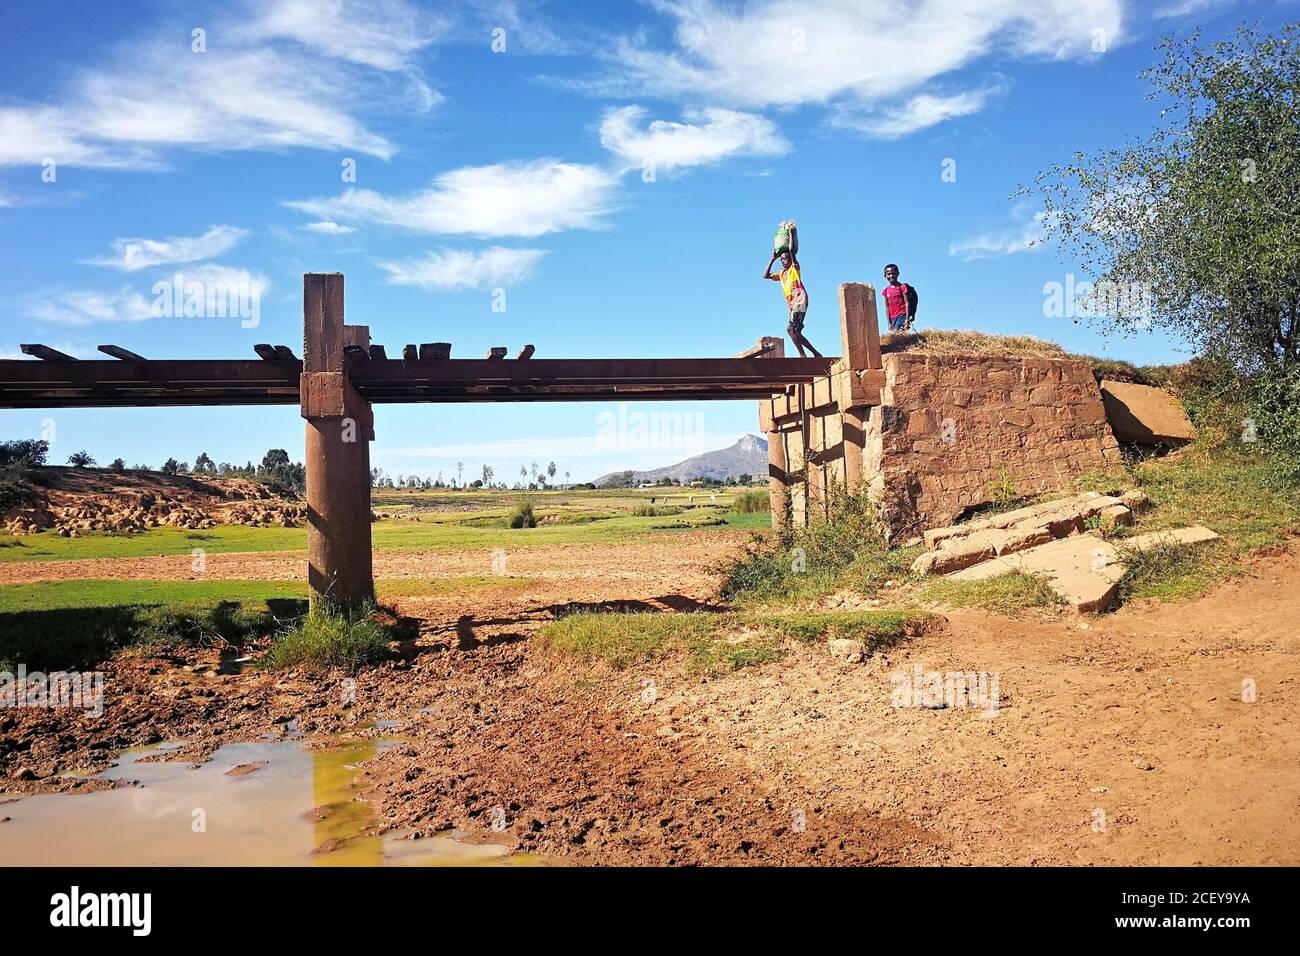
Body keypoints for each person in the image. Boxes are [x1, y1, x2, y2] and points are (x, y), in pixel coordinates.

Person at [764, 250, 822, 358]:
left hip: (800, 299)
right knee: (793, 332)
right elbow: (765, 275)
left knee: (791, 329)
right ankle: (815, 353)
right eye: (781, 260)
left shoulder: (794, 268)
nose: (783, 261)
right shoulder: (781, 274)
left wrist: (791, 241)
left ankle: (803, 354)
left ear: (791, 260)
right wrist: (772, 259)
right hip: (791, 305)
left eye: (786, 259)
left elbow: (793, 254)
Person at [881, 263, 915, 333]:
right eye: (889, 274)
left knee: (898, 333)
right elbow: (887, 307)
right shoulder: (885, 290)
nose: (891, 276)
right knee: (897, 335)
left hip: (902, 314)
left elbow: (907, 303)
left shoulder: (902, 287)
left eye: (893, 273)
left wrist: (907, 319)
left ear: (898, 274)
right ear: (885, 276)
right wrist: (889, 323)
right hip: (893, 317)